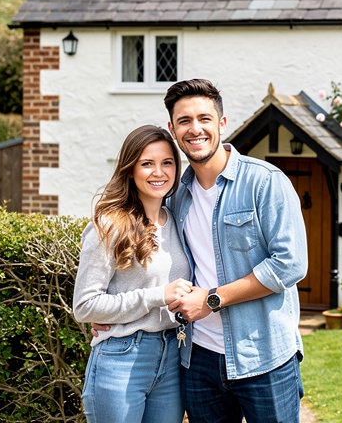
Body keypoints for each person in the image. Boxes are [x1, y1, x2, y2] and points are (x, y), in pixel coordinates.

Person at [164, 78, 308, 423]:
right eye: (184, 121)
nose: (194, 129)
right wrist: (110, 311)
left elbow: (290, 265)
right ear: (172, 130)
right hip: (199, 357)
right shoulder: (176, 194)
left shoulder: (264, 181)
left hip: (264, 356)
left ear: (222, 124)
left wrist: (212, 299)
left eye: (204, 118)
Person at [73, 125, 193, 423]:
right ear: (130, 170)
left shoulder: (177, 219)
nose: (159, 172)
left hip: (172, 355)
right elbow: (85, 306)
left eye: (167, 162)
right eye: (147, 163)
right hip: (121, 357)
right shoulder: (110, 225)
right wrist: (157, 296)